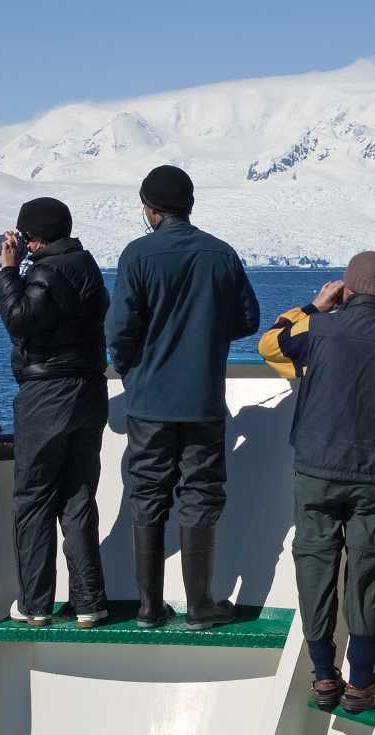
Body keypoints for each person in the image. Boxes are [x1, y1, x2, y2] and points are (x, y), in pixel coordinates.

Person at [258, 251, 375, 713]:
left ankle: (324, 675)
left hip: (317, 470)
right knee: (367, 576)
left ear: (345, 288)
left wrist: (314, 306)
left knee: (315, 568)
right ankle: (362, 682)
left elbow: (269, 346)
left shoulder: (317, 329)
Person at [105, 165, 261, 630]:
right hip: (202, 400)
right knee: (200, 493)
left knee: (147, 493)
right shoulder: (221, 253)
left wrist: (133, 372)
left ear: (150, 210)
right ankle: (200, 606)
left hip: (148, 400)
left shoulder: (137, 255)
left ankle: (149, 607)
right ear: (189, 205)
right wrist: (207, 333)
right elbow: (248, 319)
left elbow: (119, 330)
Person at [0, 197, 110, 628]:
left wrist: (8, 272)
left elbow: (20, 319)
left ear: (33, 238)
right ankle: (89, 602)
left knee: (34, 497)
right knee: (78, 497)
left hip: (47, 393)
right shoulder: (87, 266)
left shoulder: (45, 271)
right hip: (89, 389)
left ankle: (35, 604)